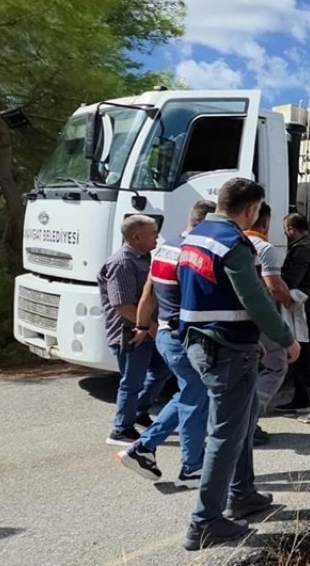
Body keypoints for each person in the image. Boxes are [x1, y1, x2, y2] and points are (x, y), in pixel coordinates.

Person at [177, 179, 300, 550]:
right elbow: (257, 300)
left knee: (243, 423)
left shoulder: (195, 237)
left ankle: (242, 493)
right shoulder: (233, 244)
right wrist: (286, 338)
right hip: (227, 349)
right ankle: (205, 522)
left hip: (202, 342)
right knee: (226, 435)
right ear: (250, 209)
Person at [115, 201, 216, 484]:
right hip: (185, 337)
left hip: (164, 335)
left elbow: (149, 294)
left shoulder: (164, 249)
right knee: (196, 398)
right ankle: (191, 465)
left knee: (189, 394)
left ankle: (144, 448)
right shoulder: (195, 253)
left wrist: (142, 326)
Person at [99, 214, 171, 446]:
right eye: (152, 233)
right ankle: (121, 429)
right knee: (132, 381)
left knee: (161, 370)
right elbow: (122, 305)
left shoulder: (146, 257)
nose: (157, 238)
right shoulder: (122, 263)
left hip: (150, 329)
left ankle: (139, 411)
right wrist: (149, 327)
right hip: (130, 332)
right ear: (136, 236)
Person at [243, 202, 295, 445]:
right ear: (264, 222)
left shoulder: (230, 242)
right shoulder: (263, 247)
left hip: (230, 320)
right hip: (258, 317)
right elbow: (273, 286)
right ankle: (248, 421)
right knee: (276, 365)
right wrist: (290, 302)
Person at [275, 213, 310, 424]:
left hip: (306, 309)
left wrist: (272, 280)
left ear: (291, 229)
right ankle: (301, 400)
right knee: (301, 356)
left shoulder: (303, 250)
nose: (284, 233)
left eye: (285, 229)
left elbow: (291, 281)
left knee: (299, 358)